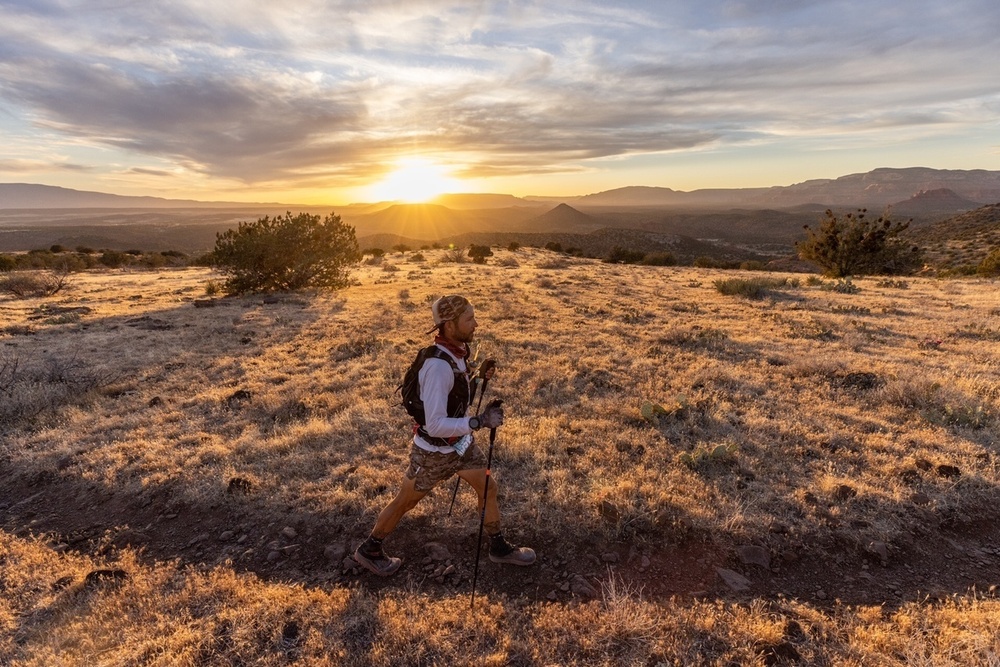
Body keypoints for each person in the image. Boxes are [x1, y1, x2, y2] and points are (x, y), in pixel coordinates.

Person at [353, 294, 535, 576]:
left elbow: (455, 393)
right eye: (469, 319)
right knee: (406, 502)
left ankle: (498, 548)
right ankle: (370, 549)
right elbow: (436, 423)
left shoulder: (456, 354)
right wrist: (480, 421)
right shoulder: (437, 367)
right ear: (449, 325)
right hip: (432, 453)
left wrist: (477, 376)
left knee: (488, 489)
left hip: (461, 447)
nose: (476, 324)